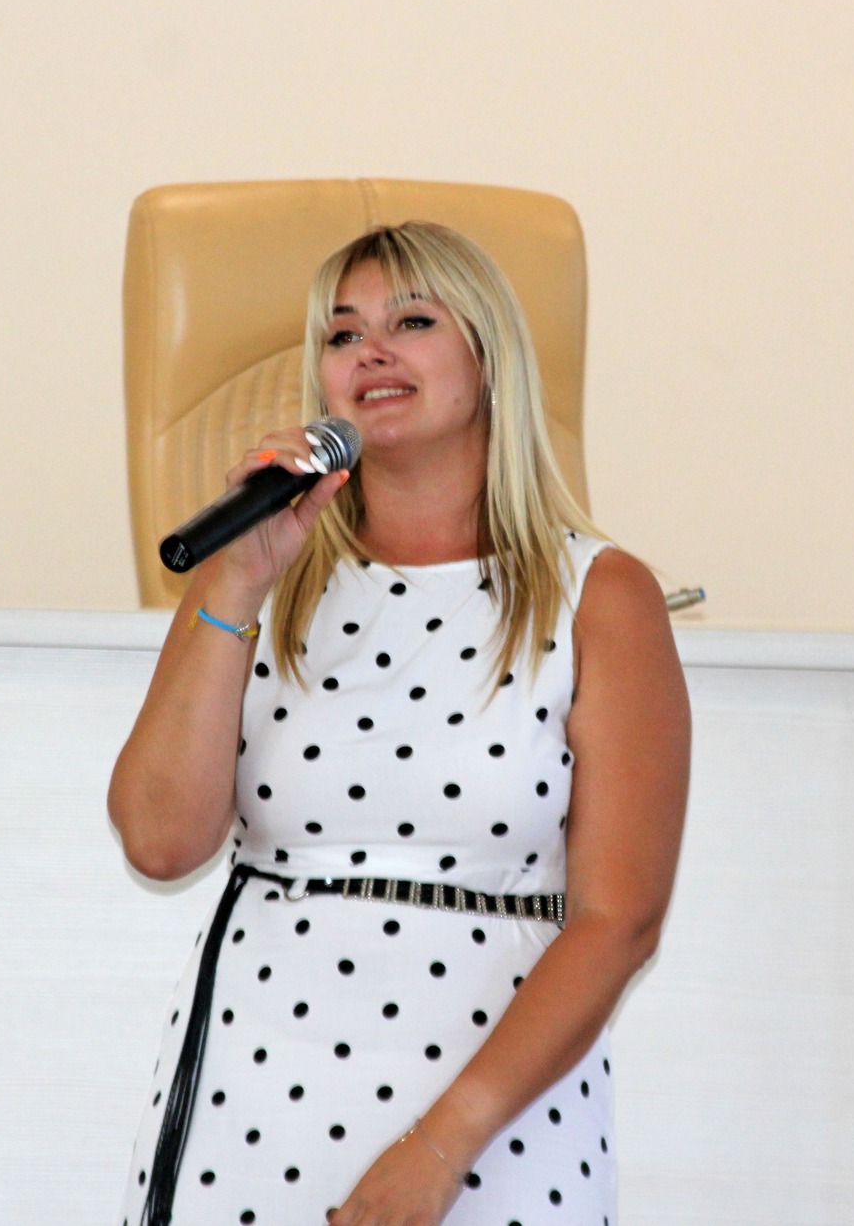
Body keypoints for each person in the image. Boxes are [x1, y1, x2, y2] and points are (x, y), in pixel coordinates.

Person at [109, 221, 690, 1226]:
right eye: (342, 335)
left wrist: (440, 1145)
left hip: (495, 1119)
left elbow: (619, 920)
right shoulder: (265, 575)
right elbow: (160, 843)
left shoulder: (599, 595)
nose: (369, 351)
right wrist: (235, 582)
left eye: (411, 322)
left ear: (489, 358)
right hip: (254, 1100)